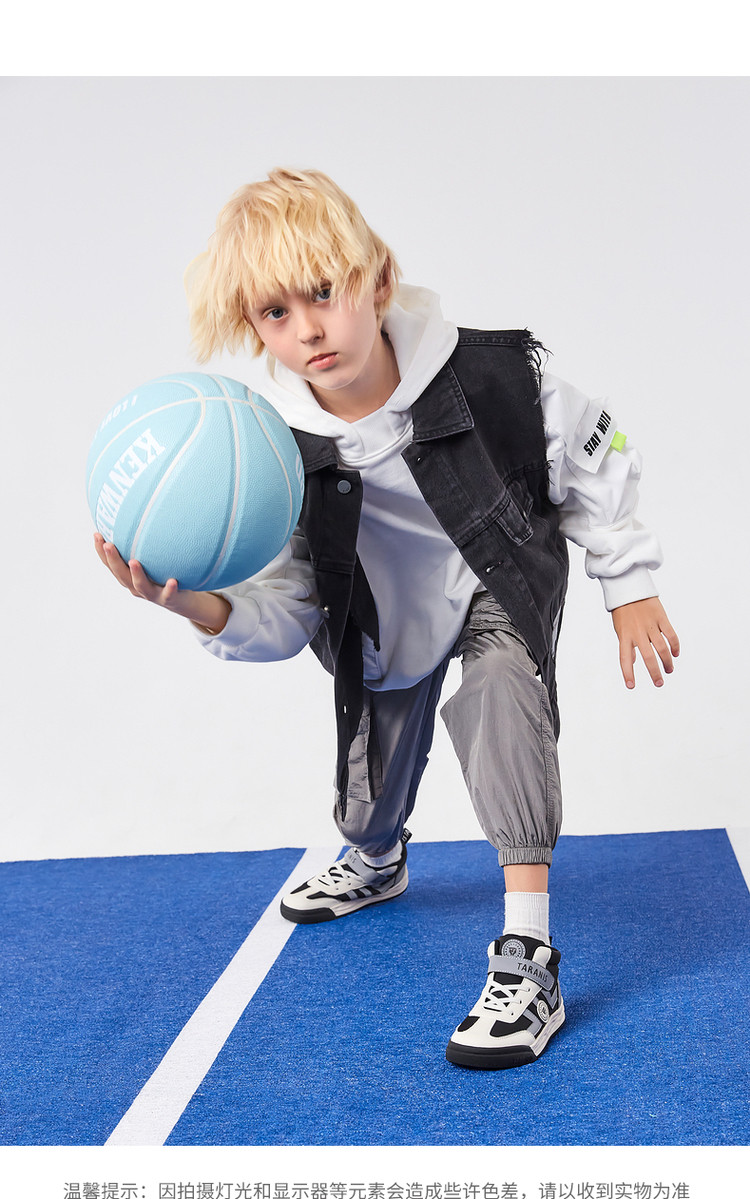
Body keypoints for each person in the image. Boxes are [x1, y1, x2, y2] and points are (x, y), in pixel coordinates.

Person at [94, 167, 680, 1071]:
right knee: (368, 795)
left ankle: (529, 952)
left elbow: (595, 455)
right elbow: (290, 614)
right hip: (386, 619)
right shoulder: (279, 456)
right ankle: (376, 857)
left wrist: (629, 580)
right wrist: (196, 604)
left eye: (322, 293)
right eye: (276, 312)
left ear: (375, 279)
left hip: (494, 578)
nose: (307, 329)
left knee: (501, 694)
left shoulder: (489, 375)